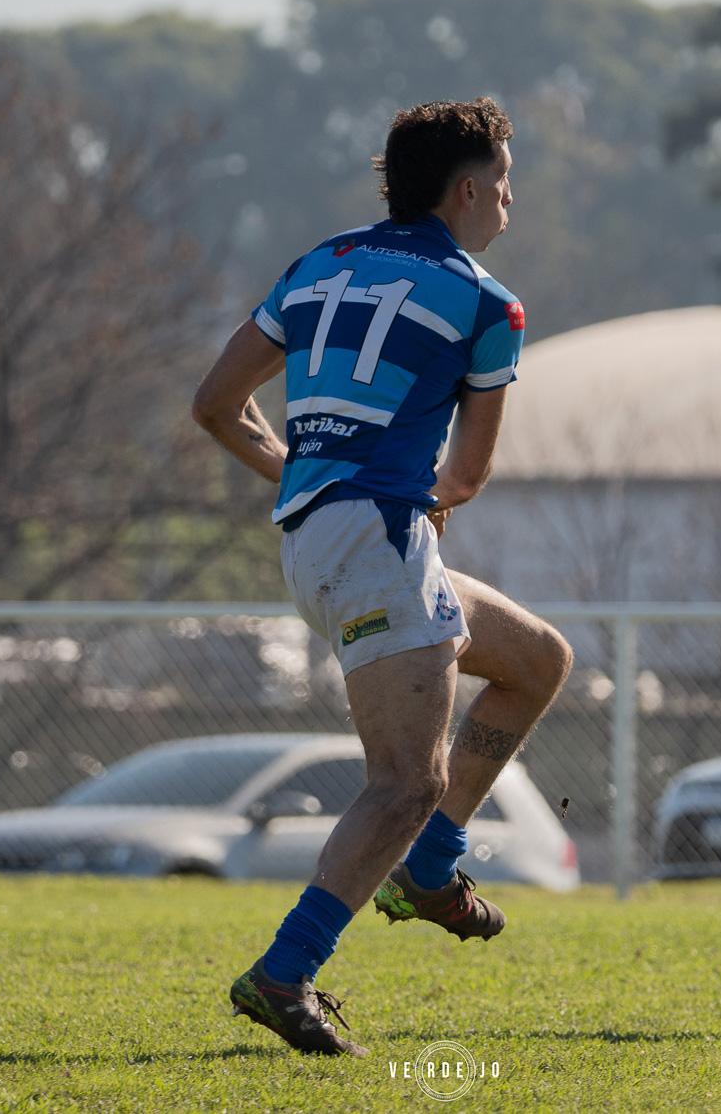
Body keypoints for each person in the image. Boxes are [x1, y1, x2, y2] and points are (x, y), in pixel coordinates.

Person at [190, 98, 573, 1057]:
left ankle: (431, 871)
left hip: (323, 537)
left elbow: (216, 404)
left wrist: (309, 476)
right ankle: (284, 973)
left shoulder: (319, 264)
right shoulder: (487, 302)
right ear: (469, 190)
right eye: (505, 181)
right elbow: (467, 477)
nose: (511, 199)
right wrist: (399, 496)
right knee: (406, 782)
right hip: (379, 539)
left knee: (536, 660)